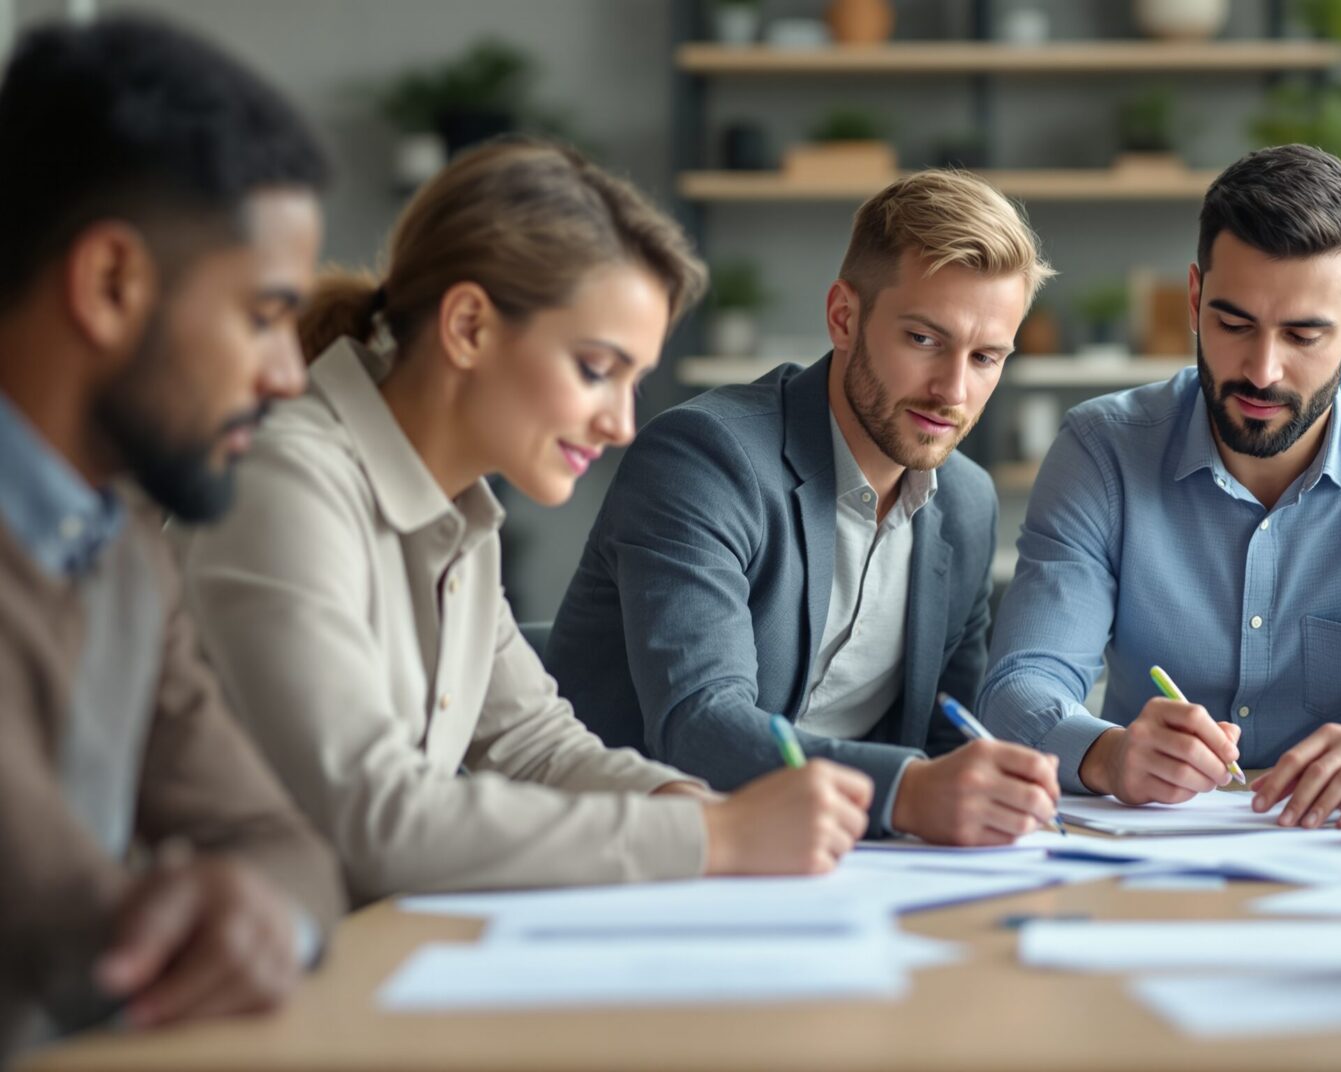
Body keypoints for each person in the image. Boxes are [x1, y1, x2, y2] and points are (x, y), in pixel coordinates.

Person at [174, 141, 872, 906]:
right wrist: (719, 839)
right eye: (597, 370)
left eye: (635, 381)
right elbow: (373, 820)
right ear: (469, 326)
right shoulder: (285, 482)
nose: (622, 424)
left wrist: (701, 809)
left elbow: (534, 746)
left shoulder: (455, 509)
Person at [979, 145, 1341, 827]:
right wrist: (1107, 753)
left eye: (1303, 335)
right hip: (1141, 853)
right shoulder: (1103, 450)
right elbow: (1018, 688)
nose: (1262, 370)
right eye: (1234, 324)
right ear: (1194, 298)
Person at [0, 14, 345, 1057]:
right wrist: (211, 914)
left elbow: (288, 849)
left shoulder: (117, 548)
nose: (289, 373)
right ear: (110, 284)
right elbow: (64, 916)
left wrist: (260, 915)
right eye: (264, 313)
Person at [547, 170, 1062, 846]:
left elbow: (947, 730)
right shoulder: (704, 458)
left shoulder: (965, 502)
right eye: (924, 340)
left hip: (842, 867)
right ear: (844, 316)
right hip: (634, 855)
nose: (953, 391)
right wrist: (906, 792)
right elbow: (699, 725)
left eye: (987, 357)